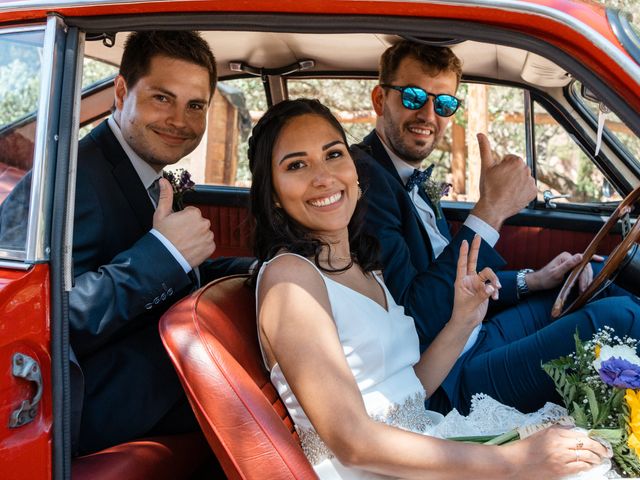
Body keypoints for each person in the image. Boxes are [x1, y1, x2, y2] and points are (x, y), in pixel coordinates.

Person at [248, 97, 611, 479]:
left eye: (334, 154)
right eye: (297, 165)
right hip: (370, 470)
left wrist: (462, 321)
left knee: (590, 453)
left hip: (416, 442)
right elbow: (352, 442)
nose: (324, 176)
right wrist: (515, 462)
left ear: (354, 171)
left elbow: (410, 389)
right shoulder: (291, 280)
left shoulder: (363, 267)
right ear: (272, 192)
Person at [0, 31, 253, 454]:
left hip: (163, 371)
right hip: (88, 412)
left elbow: (174, 276)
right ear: (121, 91)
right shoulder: (66, 181)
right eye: (161, 98)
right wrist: (163, 254)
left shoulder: (146, 173)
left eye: (195, 106)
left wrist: (260, 269)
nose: (180, 121)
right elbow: (37, 319)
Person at [354, 40, 638, 414]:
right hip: (446, 375)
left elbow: (452, 280)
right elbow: (414, 316)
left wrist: (531, 280)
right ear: (379, 100)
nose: (428, 114)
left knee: (595, 276)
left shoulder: (407, 176)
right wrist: (491, 209)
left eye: (443, 103)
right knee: (619, 318)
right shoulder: (364, 183)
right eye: (412, 97)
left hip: (477, 332)